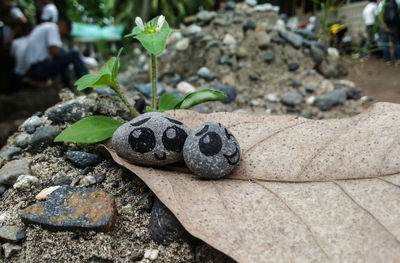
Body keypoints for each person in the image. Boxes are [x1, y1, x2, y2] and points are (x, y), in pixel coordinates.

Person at [21, 20, 88, 88]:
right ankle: (86, 85)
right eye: (65, 34)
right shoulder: (53, 28)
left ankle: (68, 85)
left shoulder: (45, 26)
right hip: (37, 69)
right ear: (63, 26)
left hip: (32, 70)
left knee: (63, 56)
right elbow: (55, 52)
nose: (63, 36)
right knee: (74, 54)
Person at [380, 0, 400, 65]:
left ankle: (388, 60)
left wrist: (385, 27)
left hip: (385, 26)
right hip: (394, 26)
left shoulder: (382, 4)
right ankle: (398, 59)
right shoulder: (396, 2)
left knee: (385, 43)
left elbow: (380, 17)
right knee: (396, 43)